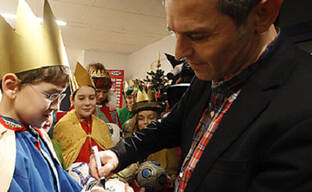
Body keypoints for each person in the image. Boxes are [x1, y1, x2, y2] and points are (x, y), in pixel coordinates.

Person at [90, 0, 312, 191]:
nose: (179, 53)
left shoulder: (301, 107)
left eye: (198, 35)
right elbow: (167, 128)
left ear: (263, 14)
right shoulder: (214, 71)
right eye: (173, 32)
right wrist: (118, 154)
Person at [0, 1, 83, 191]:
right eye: (51, 95)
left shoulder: (34, 133)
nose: (56, 106)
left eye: (60, 97)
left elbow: (60, 181)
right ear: (11, 87)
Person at [116, 86, 180, 191]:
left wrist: (167, 180)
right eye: (141, 118)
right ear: (136, 121)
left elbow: (173, 176)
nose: (146, 122)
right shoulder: (129, 143)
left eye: (151, 118)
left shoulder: (167, 146)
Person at [52, 63, 114, 169]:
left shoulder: (102, 126)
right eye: (81, 98)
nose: (87, 103)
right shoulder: (62, 125)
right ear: (72, 100)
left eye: (91, 98)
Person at [89, 63, 122, 130]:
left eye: (105, 92)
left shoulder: (112, 111)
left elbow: (118, 132)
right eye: (97, 91)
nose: (101, 96)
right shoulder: (81, 109)